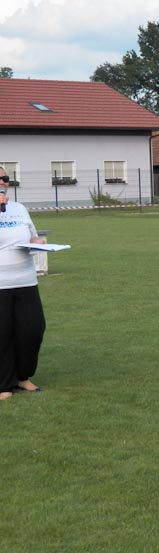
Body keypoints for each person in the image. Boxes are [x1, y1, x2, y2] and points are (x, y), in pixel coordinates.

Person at [0, 166, 47, 400]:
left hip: (26, 281)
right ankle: (3, 384)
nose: (2, 182)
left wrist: (37, 242)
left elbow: (32, 235)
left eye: (5, 178)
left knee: (32, 329)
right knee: (2, 334)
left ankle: (23, 376)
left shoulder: (19, 208)